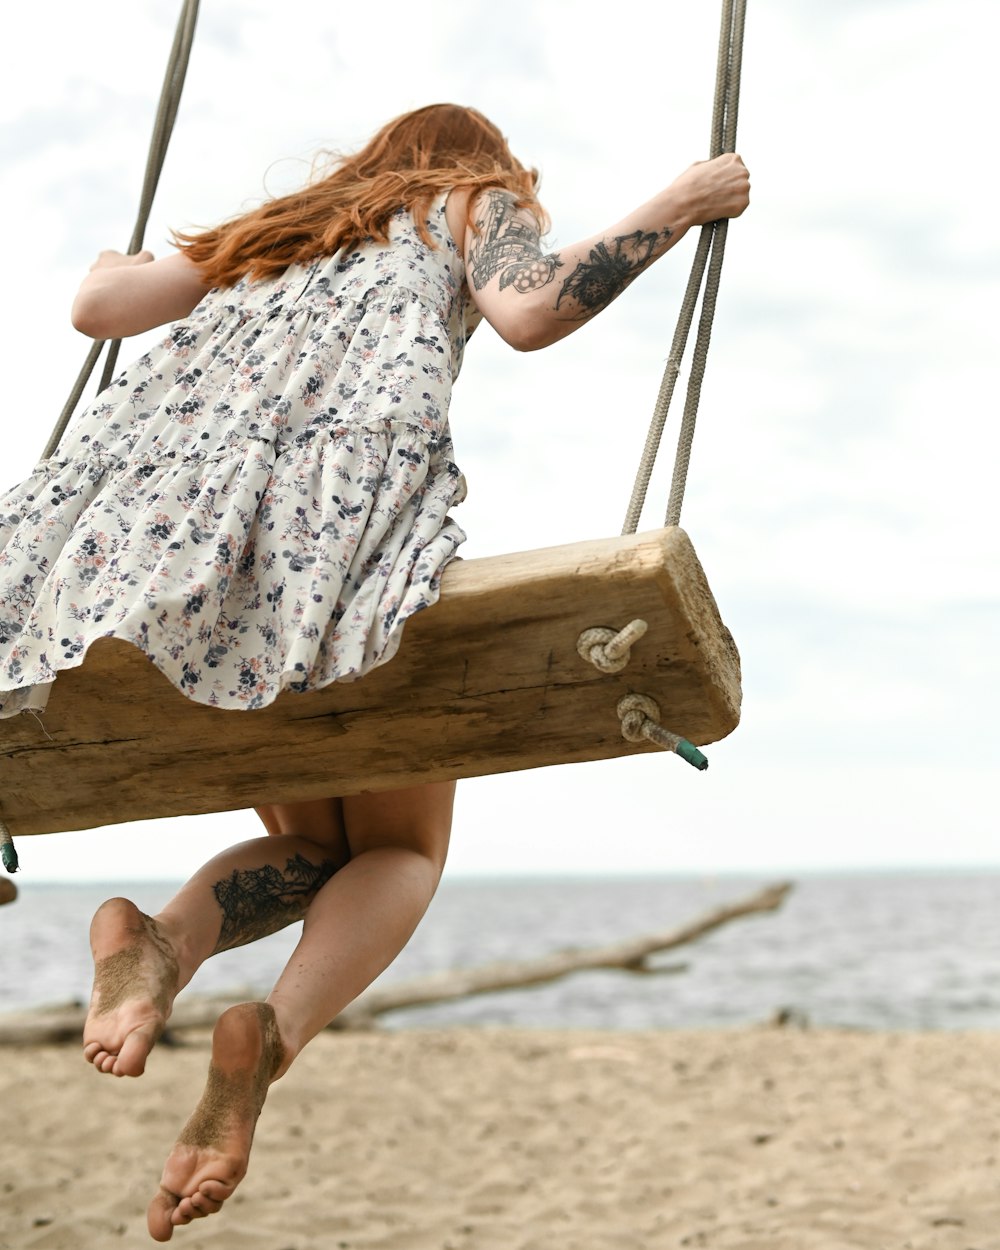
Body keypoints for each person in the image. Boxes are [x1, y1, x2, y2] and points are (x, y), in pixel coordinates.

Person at [0, 104, 749, 1239]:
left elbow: (97, 309)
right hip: (321, 542)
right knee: (399, 850)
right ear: (478, 172)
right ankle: (276, 1031)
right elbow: (532, 308)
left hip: (153, 559)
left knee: (319, 848)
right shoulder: (465, 202)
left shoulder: (264, 233)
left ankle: (162, 944)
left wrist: (114, 266)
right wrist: (680, 204)